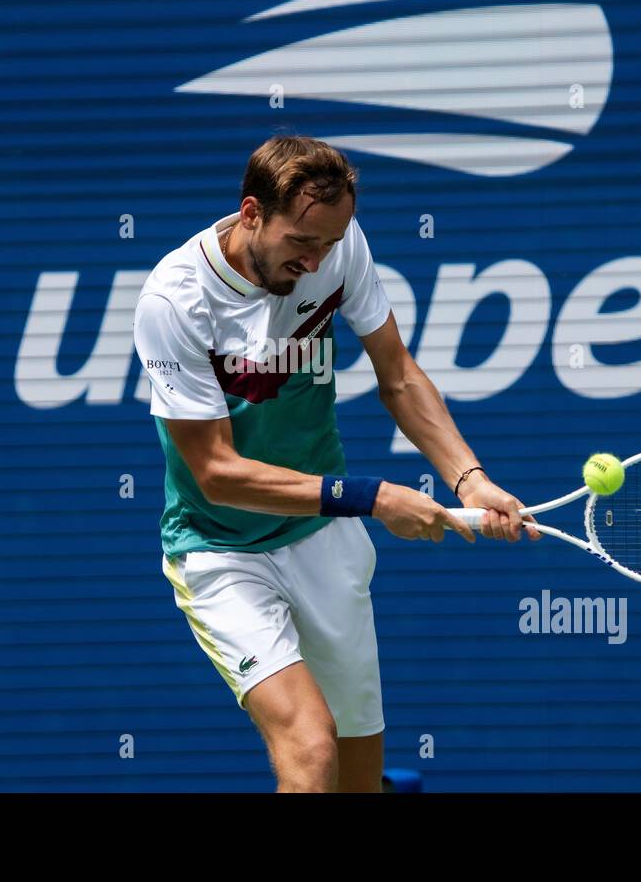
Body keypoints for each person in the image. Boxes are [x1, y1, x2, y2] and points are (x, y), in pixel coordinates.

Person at [132, 135, 539, 792]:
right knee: (310, 746)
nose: (317, 259)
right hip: (219, 549)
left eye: (330, 242)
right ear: (251, 213)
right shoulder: (175, 300)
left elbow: (399, 377)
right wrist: (373, 497)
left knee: (357, 777)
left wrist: (471, 478)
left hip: (323, 542)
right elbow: (217, 472)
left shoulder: (338, 247)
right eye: (302, 242)